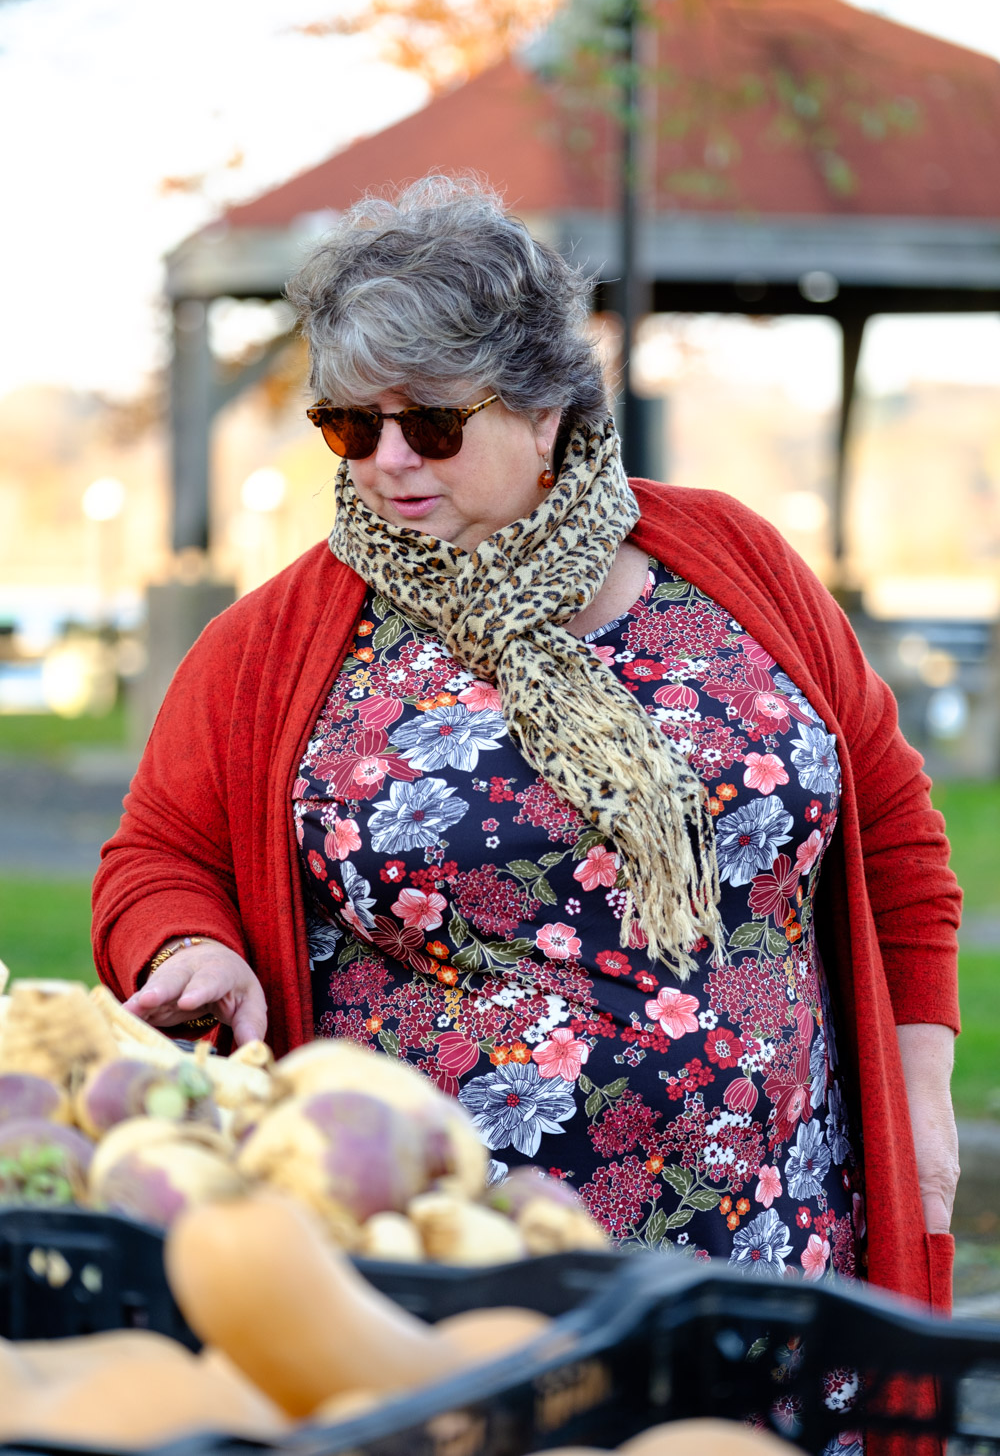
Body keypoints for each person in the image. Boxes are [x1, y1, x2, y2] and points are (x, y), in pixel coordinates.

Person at [93, 176, 960, 1330]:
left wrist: (923, 1110)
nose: (389, 461)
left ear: (546, 409)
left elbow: (893, 834)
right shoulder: (273, 644)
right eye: (349, 426)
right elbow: (158, 854)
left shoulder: (735, 562)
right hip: (445, 1280)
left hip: (777, 1244)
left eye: (433, 424)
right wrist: (192, 944)